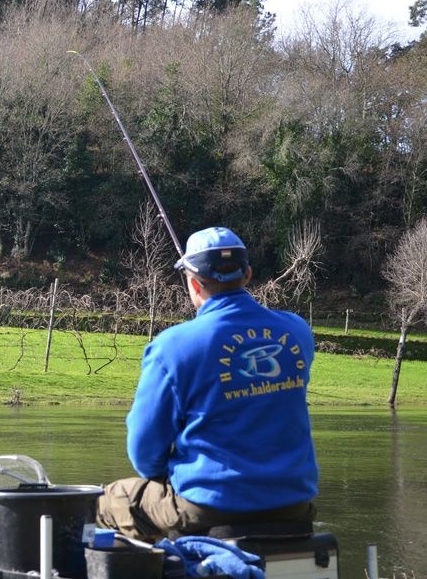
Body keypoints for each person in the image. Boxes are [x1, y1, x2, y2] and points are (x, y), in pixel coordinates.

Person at [98, 227, 318, 540]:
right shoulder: (297, 332)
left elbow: (144, 452)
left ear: (192, 282)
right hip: (293, 505)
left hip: (208, 507)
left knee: (109, 502)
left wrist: (164, 477)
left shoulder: (172, 346)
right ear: (248, 275)